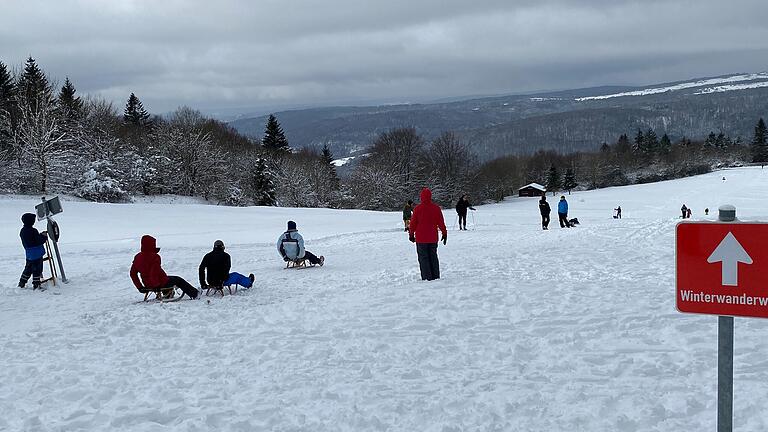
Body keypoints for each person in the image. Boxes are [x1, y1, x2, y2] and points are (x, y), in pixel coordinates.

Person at [130, 235, 199, 299]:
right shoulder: (154, 256)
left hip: (147, 283)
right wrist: (156, 285)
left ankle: (168, 293)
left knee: (170, 278)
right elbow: (153, 272)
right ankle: (195, 294)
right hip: (159, 283)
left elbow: (133, 273)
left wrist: (139, 287)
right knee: (178, 280)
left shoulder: (137, 257)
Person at [409, 187, 448, 281]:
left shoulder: (417, 209)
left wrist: (411, 235)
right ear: (430, 196)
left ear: (421, 197)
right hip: (433, 238)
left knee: (423, 258)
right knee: (433, 257)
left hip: (421, 238)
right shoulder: (436, 208)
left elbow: (413, 223)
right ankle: (435, 276)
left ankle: (427, 277)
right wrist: (444, 233)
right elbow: (441, 222)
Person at [18, 213, 48, 289]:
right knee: (37, 270)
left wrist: (40, 235)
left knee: (28, 269)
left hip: (29, 254)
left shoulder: (22, 231)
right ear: (31, 221)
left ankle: (21, 283)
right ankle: (36, 285)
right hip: (37, 254)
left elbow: (31, 240)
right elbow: (38, 241)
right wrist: (44, 237)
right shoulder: (33, 230)